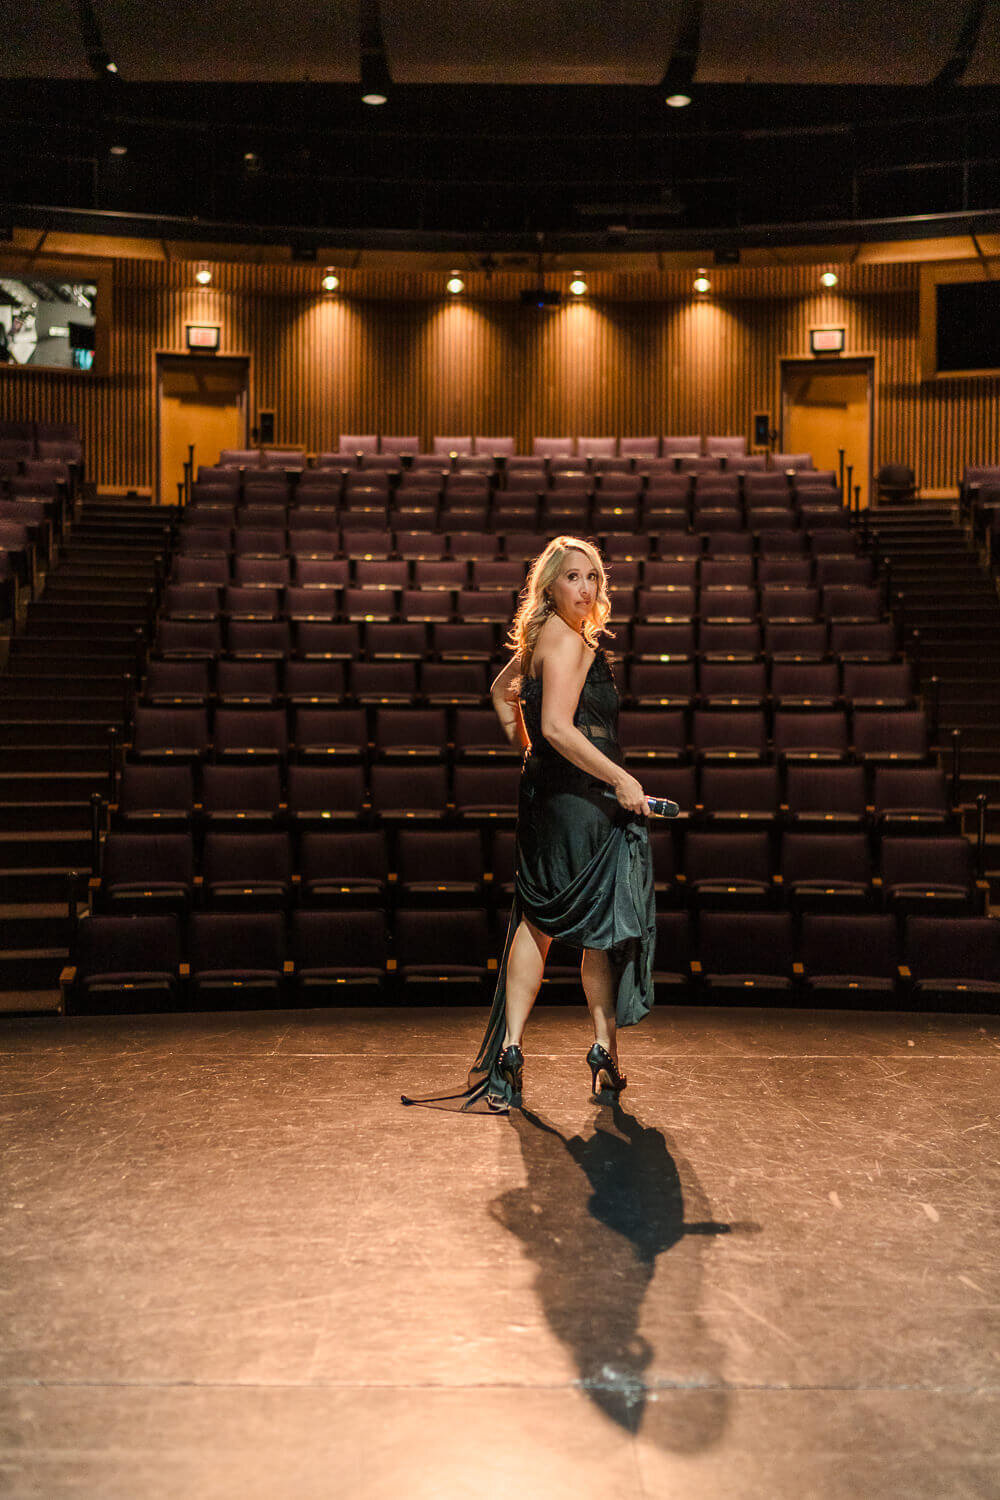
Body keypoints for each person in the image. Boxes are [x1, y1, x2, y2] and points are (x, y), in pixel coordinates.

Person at [402, 535, 657, 1114]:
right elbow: (562, 728)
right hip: (583, 800)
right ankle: (602, 1052)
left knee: (536, 919)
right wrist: (620, 779)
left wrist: (526, 745)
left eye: (593, 577)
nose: (587, 588)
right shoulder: (568, 643)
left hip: (544, 794)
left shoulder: (542, 638)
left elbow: (500, 694)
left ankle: (512, 1053)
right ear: (549, 586)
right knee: (597, 927)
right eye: (573, 577)